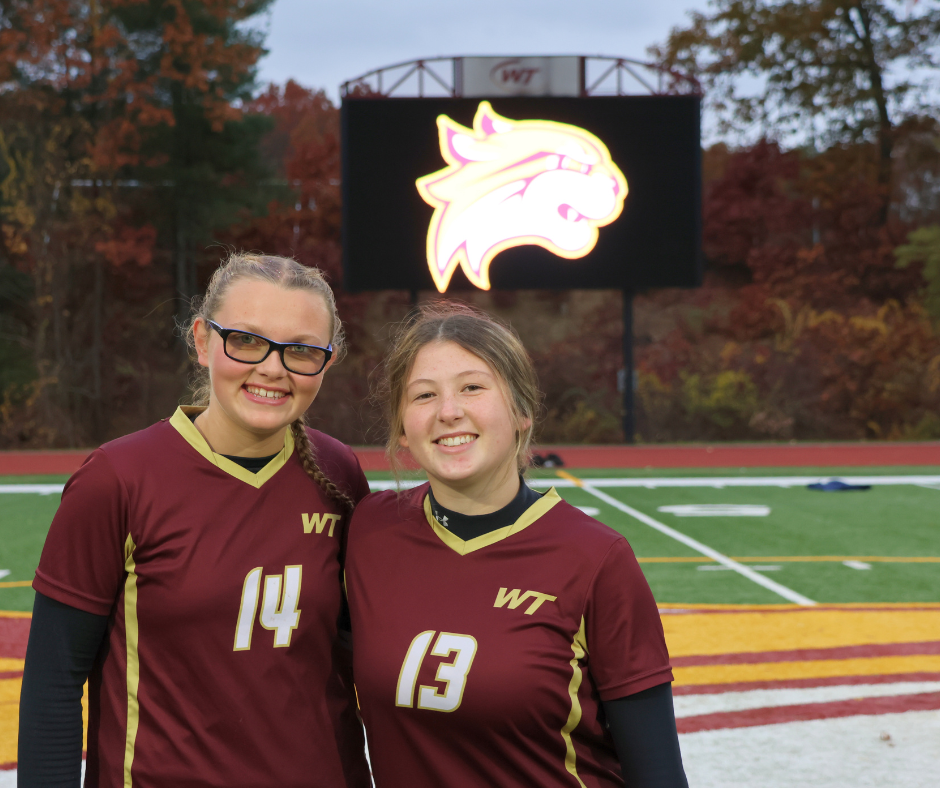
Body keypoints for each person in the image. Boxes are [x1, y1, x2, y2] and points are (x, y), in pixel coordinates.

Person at [18, 254, 371, 787]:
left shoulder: (339, 472)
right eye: (246, 341)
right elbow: (53, 683)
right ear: (203, 340)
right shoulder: (118, 478)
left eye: (300, 350)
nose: (272, 368)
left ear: (328, 360)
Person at [345, 303, 688, 788]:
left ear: (522, 411)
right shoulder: (367, 533)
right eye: (423, 395)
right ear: (402, 427)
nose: (448, 412)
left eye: (472, 387)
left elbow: (657, 775)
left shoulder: (595, 560)